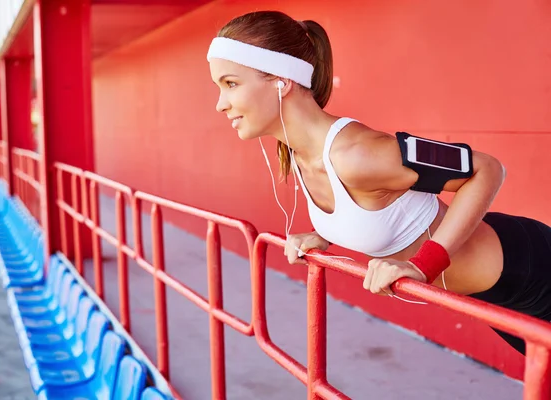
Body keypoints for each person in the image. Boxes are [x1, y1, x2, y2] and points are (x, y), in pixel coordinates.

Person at [206, 10, 551, 356]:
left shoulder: (359, 153)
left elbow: (486, 168)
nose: (220, 104)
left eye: (231, 84)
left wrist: (421, 266)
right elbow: (376, 206)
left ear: (282, 80)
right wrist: (324, 234)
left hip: (531, 268)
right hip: (493, 297)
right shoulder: (300, 154)